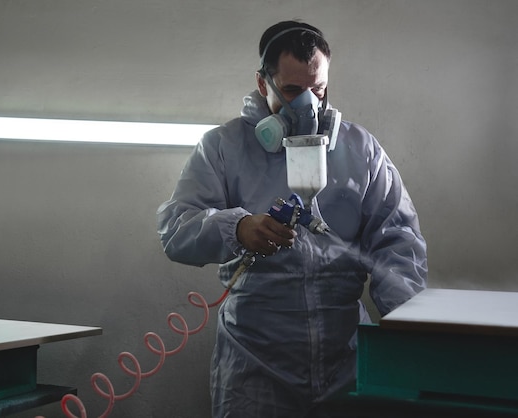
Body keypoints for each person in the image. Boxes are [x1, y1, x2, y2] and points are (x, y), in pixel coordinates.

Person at [157, 20, 427, 417]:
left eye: (318, 90)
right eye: (292, 91)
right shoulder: (223, 147)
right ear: (262, 84)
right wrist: (237, 227)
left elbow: (397, 240)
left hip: (346, 357)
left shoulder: (359, 149)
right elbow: (175, 228)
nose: (309, 106)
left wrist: (407, 328)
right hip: (255, 363)